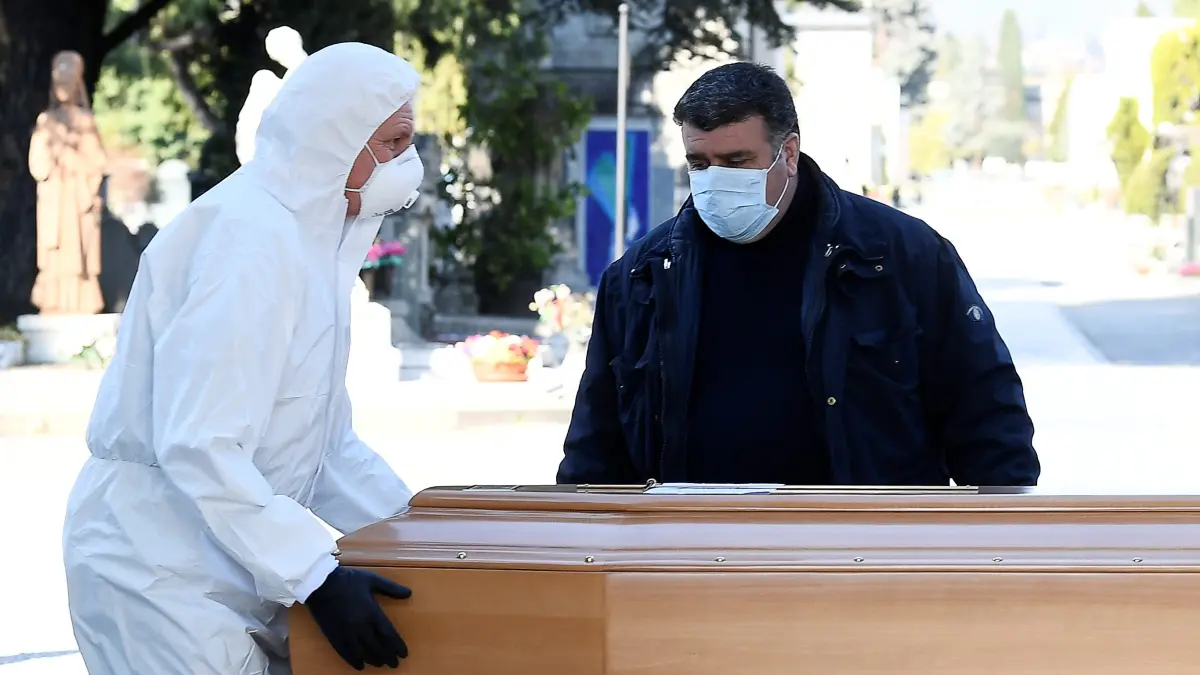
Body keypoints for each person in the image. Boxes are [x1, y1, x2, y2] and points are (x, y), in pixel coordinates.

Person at [63, 43, 426, 674]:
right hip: (157, 567)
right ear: (337, 136)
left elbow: (326, 451)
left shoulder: (307, 246)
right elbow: (200, 442)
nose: (407, 163)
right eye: (393, 143)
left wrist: (424, 533)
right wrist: (314, 574)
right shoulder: (248, 238)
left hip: (224, 562)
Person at [557, 62, 1039, 488]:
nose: (715, 180)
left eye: (736, 162)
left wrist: (999, 540)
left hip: (861, 548)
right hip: (690, 548)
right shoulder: (640, 277)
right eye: (699, 164)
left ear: (788, 153)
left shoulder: (898, 257)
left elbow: (987, 417)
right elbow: (595, 449)